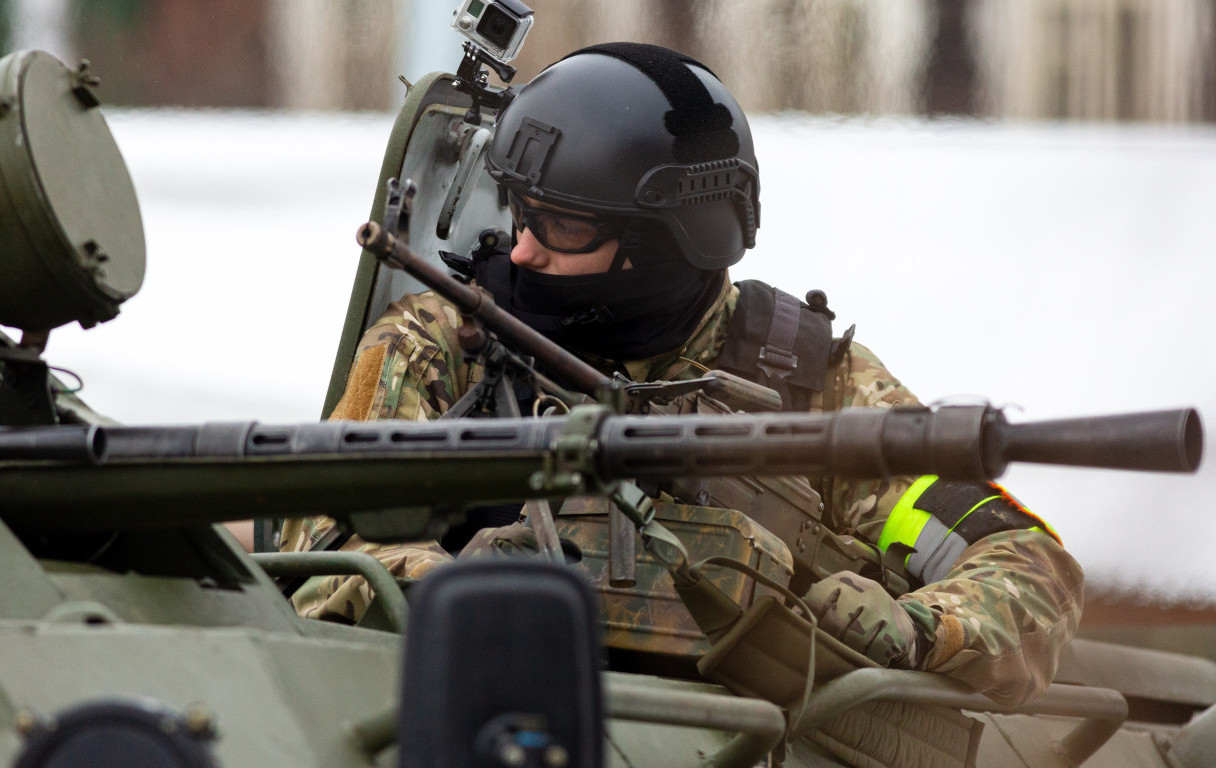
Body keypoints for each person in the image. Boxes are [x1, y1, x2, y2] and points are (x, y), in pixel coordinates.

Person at [280, 42, 1082, 708]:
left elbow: (1029, 568)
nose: (522, 251)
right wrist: (464, 592)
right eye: (520, 212)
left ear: (662, 238)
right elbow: (320, 544)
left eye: (560, 225)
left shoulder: (810, 388)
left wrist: (920, 627)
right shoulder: (443, 343)